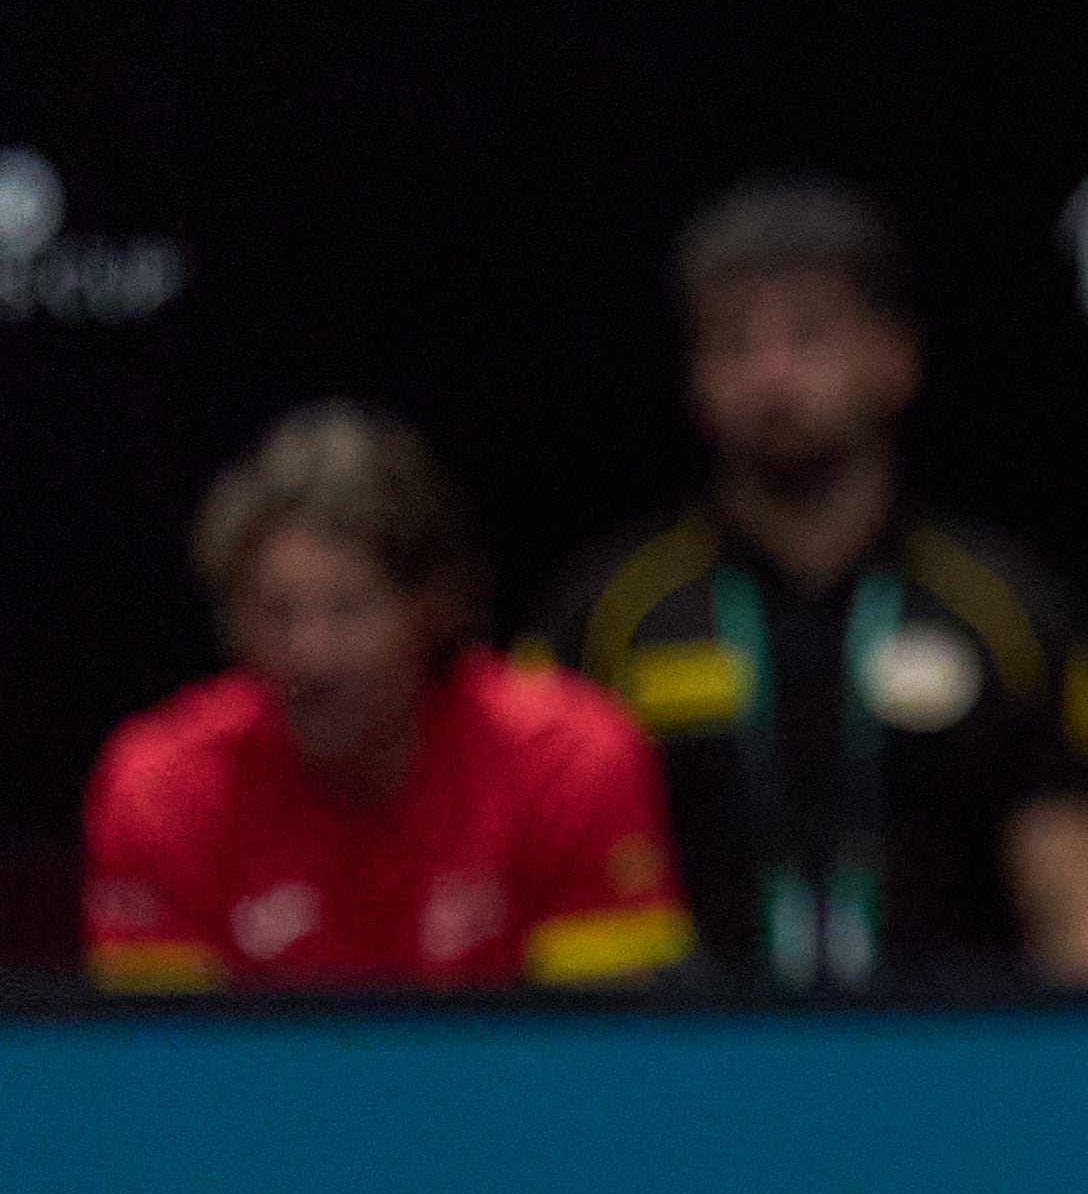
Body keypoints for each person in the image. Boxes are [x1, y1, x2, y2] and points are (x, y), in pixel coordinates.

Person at [534, 176, 1088, 989]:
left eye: (810, 335)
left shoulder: (1010, 612)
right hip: (678, 1090)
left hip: (954, 1086)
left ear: (896, 358)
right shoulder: (606, 614)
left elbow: (1085, 925)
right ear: (697, 381)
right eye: (735, 343)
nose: (772, 373)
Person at [83, 404, 693, 991]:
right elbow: (159, 1080)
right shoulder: (161, 785)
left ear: (433, 607)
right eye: (276, 613)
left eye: (349, 609)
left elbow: (611, 1065)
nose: (311, 655)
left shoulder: (569, 758)